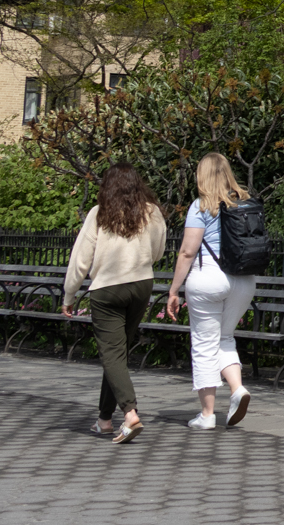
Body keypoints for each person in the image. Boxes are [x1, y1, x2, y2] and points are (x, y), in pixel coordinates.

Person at [61, 164, 168, 444]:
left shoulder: (99, 213)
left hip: (107, 289)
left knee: (112, 354)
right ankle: (104, 420)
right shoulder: (151, 212)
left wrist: (69, 295)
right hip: (141, 284)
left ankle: (130, 413)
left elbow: (80, 259)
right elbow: (158, 251)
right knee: (117, 355)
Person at [163, 153, 255, 430]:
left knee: (204, 345)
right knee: (225, 338)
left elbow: (188, 251)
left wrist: (173, 290)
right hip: (244, 279)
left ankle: (207, 415)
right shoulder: (246, 202)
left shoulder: (201, 206)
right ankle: (237, 389)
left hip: (209, 279)